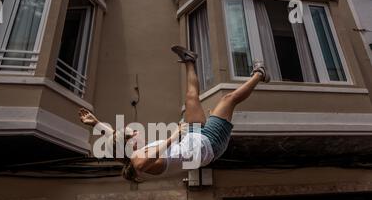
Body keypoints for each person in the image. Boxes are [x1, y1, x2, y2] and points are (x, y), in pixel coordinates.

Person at [79, 46, 270, 182]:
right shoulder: (137, 160)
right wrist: (174, 136)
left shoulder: (131, 153)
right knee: (228, 99)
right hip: (209, 144)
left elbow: (115, 140)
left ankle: (189, 59)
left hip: (194, 138)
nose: (136, 133)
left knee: (191, 97)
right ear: (130, 145)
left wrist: (95, 123)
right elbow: (141, 164)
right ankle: (260, 74)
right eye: (132, 135)